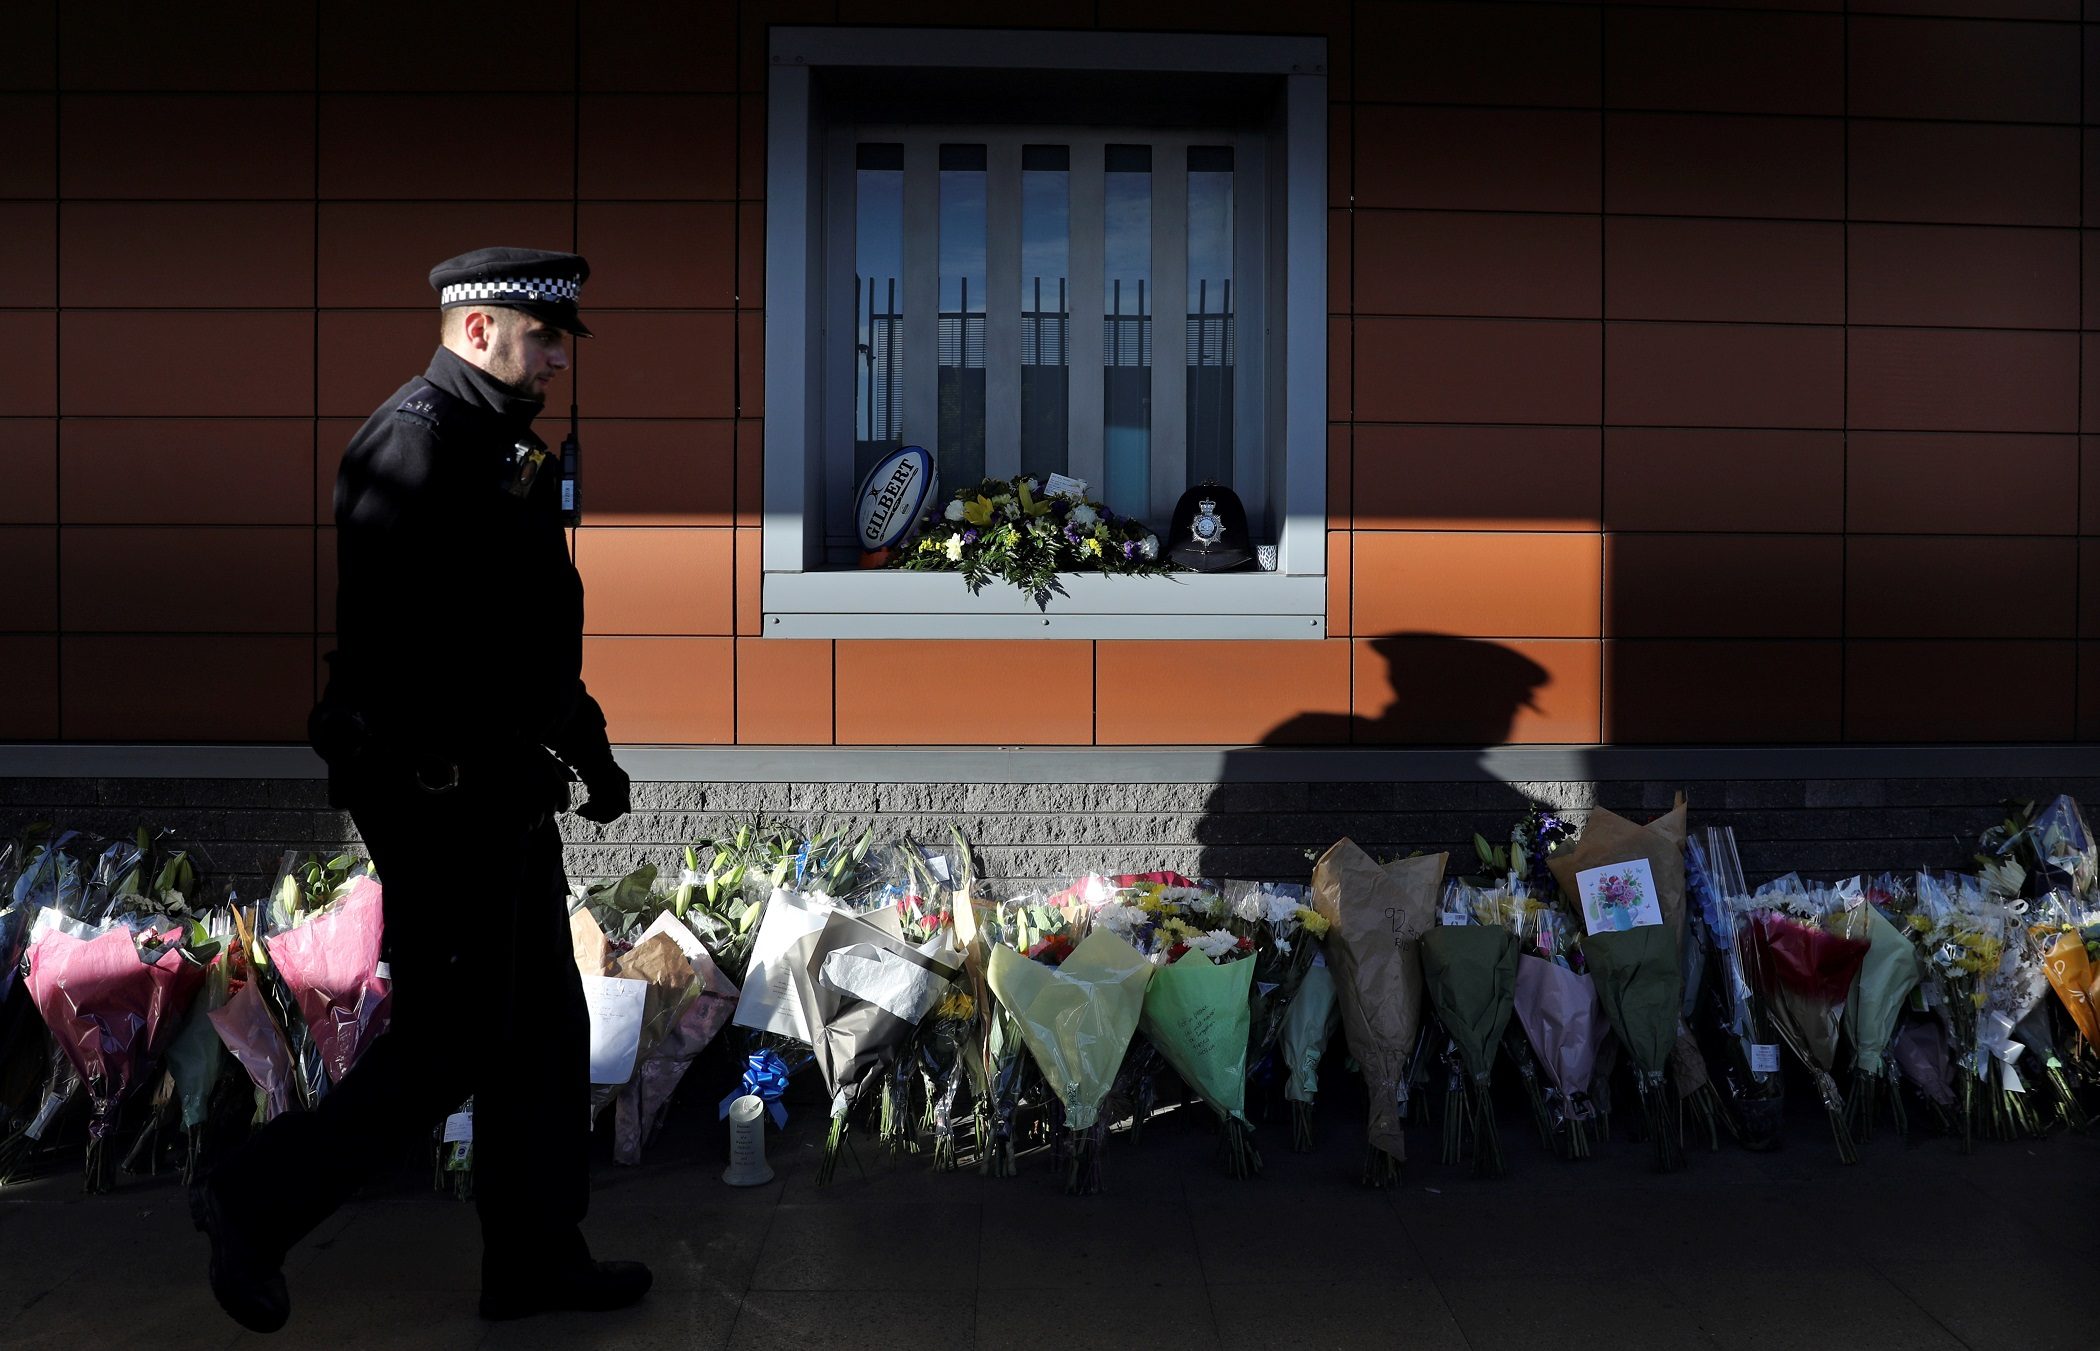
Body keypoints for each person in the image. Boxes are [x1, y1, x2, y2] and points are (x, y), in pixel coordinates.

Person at [195, 247, 650, 1332]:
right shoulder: (414, 443)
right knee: (453, 1039)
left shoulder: (497, 443)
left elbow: (529, 633)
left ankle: (534, 1259)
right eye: (544, 338)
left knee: (542, 1028)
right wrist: (463, 775)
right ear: (479, 329)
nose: (558, 360)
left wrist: (583, 750)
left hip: (503, 789)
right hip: (443, 799)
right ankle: (254, 1200)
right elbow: (407, 654)